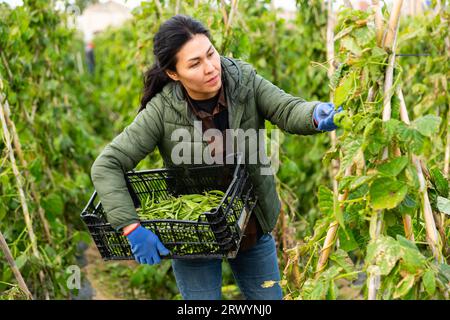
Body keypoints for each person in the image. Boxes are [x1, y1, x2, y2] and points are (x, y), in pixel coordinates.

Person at [90, 14, 341, 300]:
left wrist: (315, 115)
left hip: (250, 218)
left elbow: (286, 109)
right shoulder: (162, 110)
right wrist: (131, 226)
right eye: (195, 63)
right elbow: (107, 165)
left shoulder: (243, 81)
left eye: (211, 54)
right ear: (174, 73)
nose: (210, 68)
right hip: (194, 231)